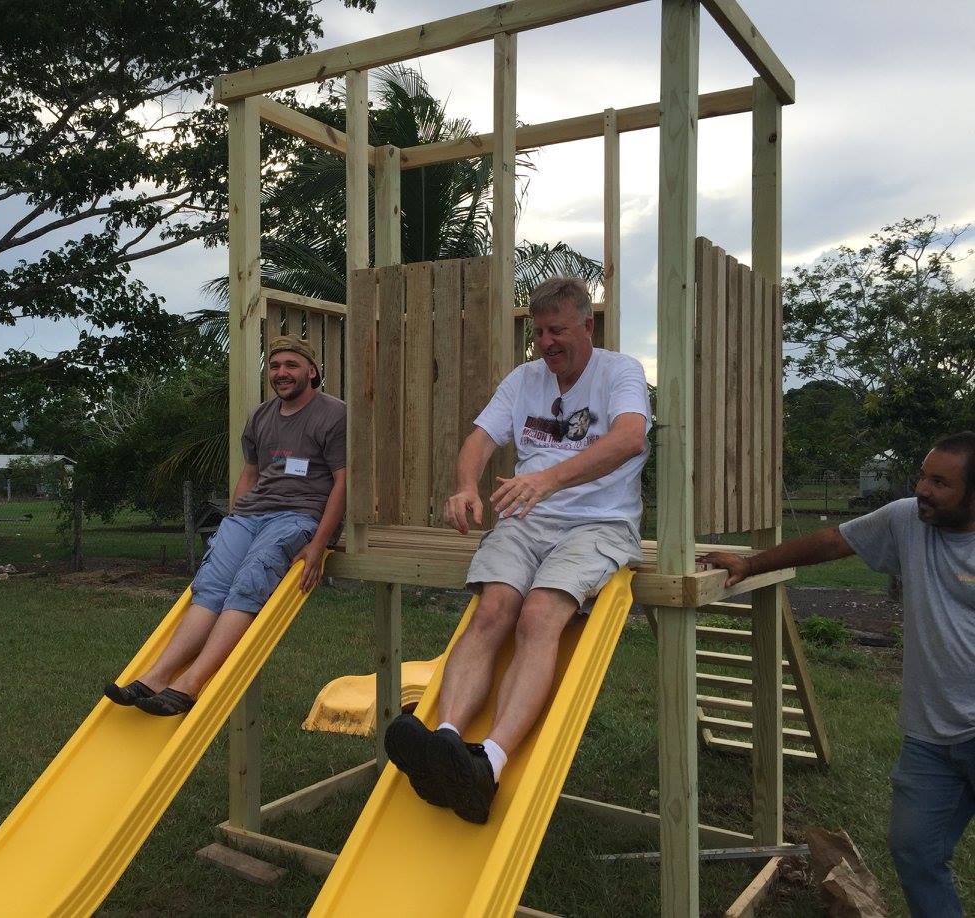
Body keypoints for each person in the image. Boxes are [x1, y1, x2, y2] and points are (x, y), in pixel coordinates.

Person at [384, 276, 651, 823]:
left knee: (537, 615)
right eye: (539, 333)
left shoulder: (619, 372)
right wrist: (464, 486)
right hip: (526, 521)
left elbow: (629, 439)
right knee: (493, 610)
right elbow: (480, 439)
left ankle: (490, 762)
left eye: (558, 330)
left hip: (598, 525)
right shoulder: (524, 378)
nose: (546, 343)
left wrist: (547, 480)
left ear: (587, 325)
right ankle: (448, 742)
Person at [701, 432, 975, 918]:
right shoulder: (907, 520)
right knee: (916, 853)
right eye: (922, 475)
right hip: (929, 735)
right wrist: (751, 562)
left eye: (940, 482)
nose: (922, 489)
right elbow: (833, 541)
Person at [104, 335, 347, 716]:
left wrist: (319, 544)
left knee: (249, 582)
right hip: (250, 515)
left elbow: (344, 481)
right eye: (275, 365)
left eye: (291, 365)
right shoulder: (261, 417)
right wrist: (236, 519)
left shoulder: (334, 414)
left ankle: (190, 684)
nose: (281, 373)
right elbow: (250, 473)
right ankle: (157, 676)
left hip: (298, 516)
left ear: (312, 371)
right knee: (212, 584)